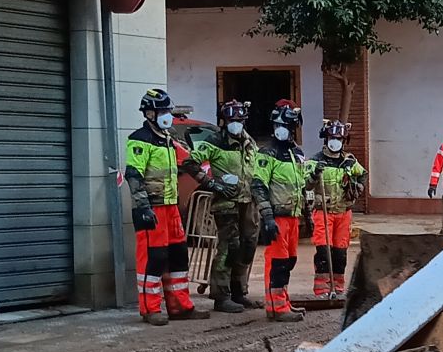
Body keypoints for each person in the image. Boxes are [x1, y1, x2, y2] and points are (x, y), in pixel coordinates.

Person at [124, 87, 204, 325]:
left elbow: (188, 163)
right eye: (163, 111)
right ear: (149, 114)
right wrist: (143, 207)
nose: (167, 114)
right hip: (152, 208)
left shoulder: (168, 140)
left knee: (178, 256)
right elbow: (134, 176)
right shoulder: (139, 140)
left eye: (167, 110)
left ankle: (180, 307)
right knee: (153, 258)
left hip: (171, 207)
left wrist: (212, 183)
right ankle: (150, 309)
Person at [189, 99, 273, 314]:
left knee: (247, 247)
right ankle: (221, 295)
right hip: (226, 204)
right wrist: (211, 183)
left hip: (249, 203)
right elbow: (189, 162)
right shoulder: (214, 141)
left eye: (239, 119)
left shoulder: (249, 142)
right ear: (224, 121)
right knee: (228, 248)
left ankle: (239, 292)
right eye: (231, 120)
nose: (235, 123)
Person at [253, 101, 311, 323]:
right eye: (277, 124)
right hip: (277, 215)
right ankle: (275, 307)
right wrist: (267, 217)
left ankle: (283, 301)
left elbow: (303, 185)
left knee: (290, 261)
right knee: (277, 261)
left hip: (293, 216)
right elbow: (258, 186)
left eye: (285, 124)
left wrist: (308, 213)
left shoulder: (297, 153)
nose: (280, 128)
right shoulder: (268, 153)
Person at [309, 119, 367, 308]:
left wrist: (358, 186)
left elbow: (363, 174)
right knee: (324, 252)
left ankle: (338, 288)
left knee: (340, 253)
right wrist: (313, 176)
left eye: (339, 138)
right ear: (326, 139)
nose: (336, 141)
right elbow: (306, 184)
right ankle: (321, 289)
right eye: (332, 138)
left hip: (343, 212)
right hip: (323, 212)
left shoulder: (349, 162)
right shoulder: (316, 161)